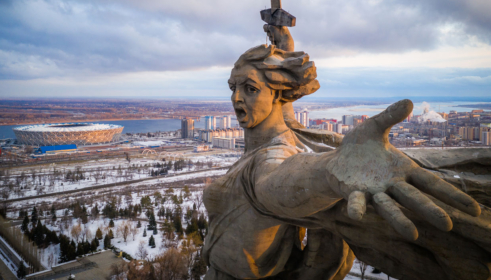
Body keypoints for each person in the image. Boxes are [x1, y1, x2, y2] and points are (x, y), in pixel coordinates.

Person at [202, 41, 491, 280]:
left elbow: (276, 185)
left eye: (250, 89)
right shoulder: (270, 135)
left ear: (277, 95)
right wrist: (281, 47)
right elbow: (285, 115)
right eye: (233, 87)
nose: (236, 97)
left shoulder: (272, 156)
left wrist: (328, 172)